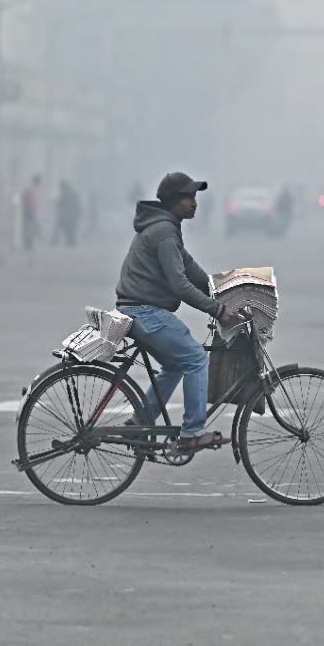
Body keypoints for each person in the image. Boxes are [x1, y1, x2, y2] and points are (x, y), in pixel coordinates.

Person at [115, 172, 240, 451]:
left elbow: (191, 270)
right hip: (143, 311)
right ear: (173, 201)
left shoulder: (167, 228)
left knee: (174, 365)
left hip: (136, 309)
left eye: (195, 197)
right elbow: (180, 285)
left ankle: (140, 423)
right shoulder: (164, 232)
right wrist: (218, 310)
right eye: (188, 198)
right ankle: (192, 433)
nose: (194, 203)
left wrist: (223, 292)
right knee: (196, 358)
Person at [51, 179, 81, 248]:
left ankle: (67, 243)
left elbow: (60, 204)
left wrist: (59, 210)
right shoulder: (73, 193)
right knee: (70, 230)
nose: (61, 189)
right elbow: (78, 206)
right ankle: (71, 243)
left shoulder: (65, 194)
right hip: (71, 216)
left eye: (61, 187)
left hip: (66, 216)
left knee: (63, 229)